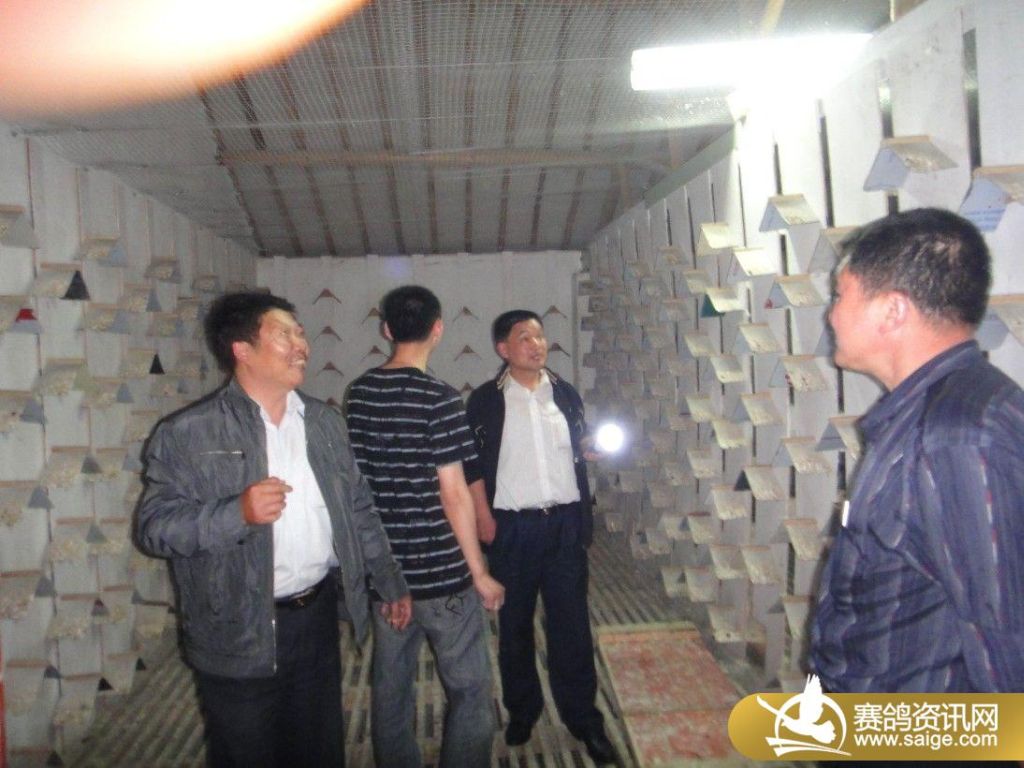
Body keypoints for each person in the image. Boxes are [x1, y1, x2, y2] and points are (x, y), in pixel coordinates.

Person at [135, 292, 412, 768]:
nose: (301, 344)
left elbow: (359, 509)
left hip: (315, 618)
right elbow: (154, 528)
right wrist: (236, 513)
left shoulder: (325, 423)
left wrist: (389, 579)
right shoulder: (188, 432)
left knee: (319, 750)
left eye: (300, 332)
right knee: (248, 753)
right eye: (284, 333)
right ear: (242, 349)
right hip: (236, 628)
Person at [811, 208, 1024, 694]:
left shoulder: (954, 438)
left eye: (840, 295)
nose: (831, 313)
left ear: (893, 310)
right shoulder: (943, 411)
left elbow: (1003, 634)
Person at [345, 285, 503, 768]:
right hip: (441, 574)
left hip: (386, 572)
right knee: (471, 690)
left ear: (386, 329)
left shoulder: (359, 394)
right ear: (438, 329)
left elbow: (359, 484)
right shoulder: (440, 398)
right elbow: (453, 494)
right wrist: (479, 572)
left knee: (391, 688)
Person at [465, 310, 618, 766]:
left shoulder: (565, 393)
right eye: (524, 337)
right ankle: (523, 710)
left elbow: (576, 445)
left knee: (572, 624)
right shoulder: (486, 401)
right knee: (514, 626)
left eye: (539, 336)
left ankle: (583, 717)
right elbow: (472, 467)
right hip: (514, 528)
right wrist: (482, 518)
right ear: (503, 349)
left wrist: (587, 449)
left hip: (565, 524)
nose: (537, 344)